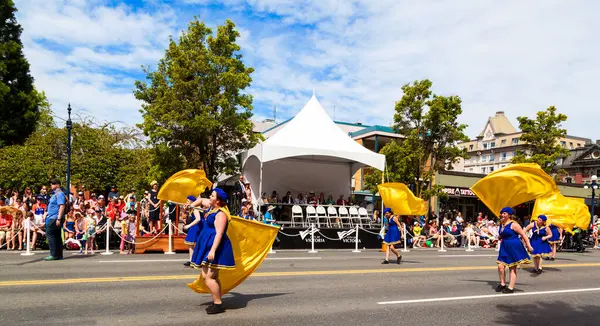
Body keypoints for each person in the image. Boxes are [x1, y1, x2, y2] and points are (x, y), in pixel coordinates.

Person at [186, 188, 235, 314]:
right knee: (212, 276)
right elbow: (201, 200)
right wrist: (191, 205)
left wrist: (212, 251)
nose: (210, 197)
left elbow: (219, 234)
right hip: (207, 243)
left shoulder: (221, 214)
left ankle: (218, 304)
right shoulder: (212, 207)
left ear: (218, 201)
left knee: (208, 277)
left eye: (212, 196)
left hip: (215, 246)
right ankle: (217, 301)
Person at [496, 207, 533, 293]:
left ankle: (511, 288)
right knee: (500, 266)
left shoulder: (514, 224)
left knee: (512, 268)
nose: (502, 215)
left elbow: (524, 235)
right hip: (504, 246)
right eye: (502, 213)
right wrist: (499, 237)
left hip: (514, 246)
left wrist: (529, 246)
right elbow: (502, 234)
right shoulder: (502, 223)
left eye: (505, 213)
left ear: (509, 215)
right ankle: (502, 284)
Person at [45, 178, 66, 261]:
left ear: (57, 185)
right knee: (57, 236)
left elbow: (62, 206)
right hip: (53, 217)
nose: (51, 185)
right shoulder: (54, 194)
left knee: (50, 234)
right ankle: (58, 254)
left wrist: (59, 218)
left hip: (55, 218)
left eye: (53, 184)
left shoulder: (59, 194)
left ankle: (53, 254)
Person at [183, 195, 199, 267]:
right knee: (190, 245)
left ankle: (195, 260)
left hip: (197, 227)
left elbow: (198, 219)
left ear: (192, 202)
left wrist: (189, 226)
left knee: (193, 244)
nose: (187, 202)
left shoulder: (195, 208)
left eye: (188, 201)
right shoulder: (191, 208)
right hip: (193, 226)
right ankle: (191, 260)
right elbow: (186, 217)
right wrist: (185, 210)